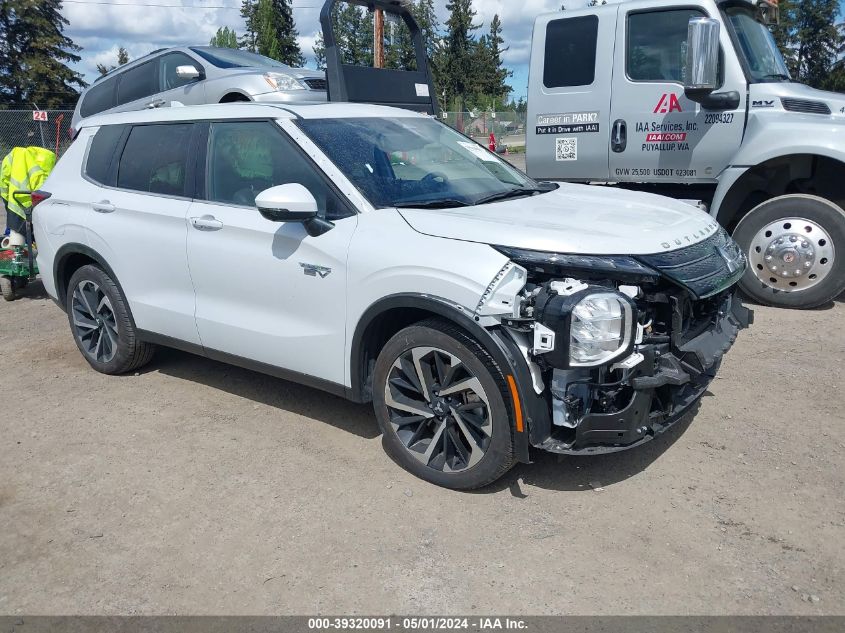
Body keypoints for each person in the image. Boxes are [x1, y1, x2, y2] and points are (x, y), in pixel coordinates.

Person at [0, 146, 56, 246]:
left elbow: (3, 185)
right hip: (34, 211)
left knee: (16, 239)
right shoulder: (46, 164)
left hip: (14, 207)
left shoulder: (13, 157)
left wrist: (7, 201)